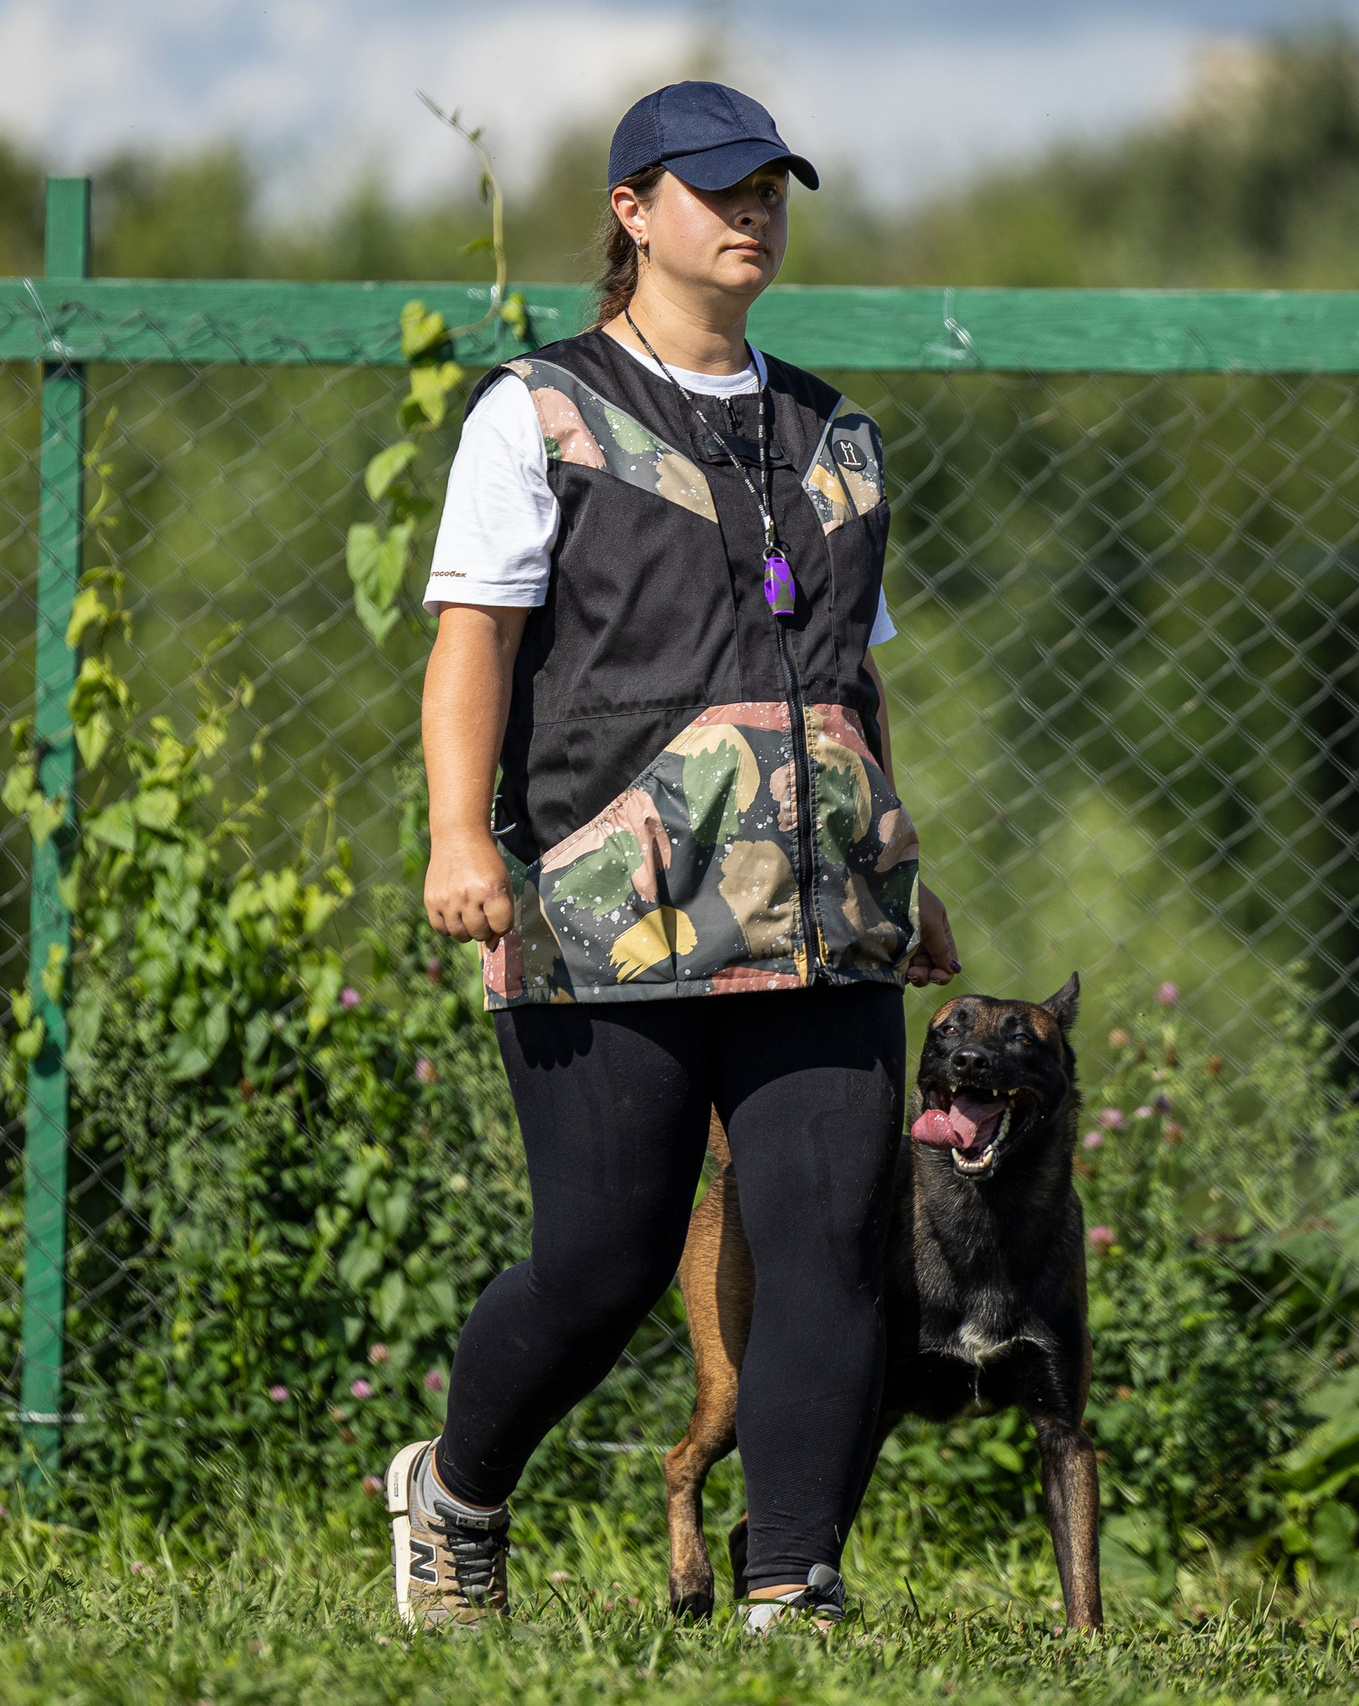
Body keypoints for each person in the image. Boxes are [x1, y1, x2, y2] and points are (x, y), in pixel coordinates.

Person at [387, 80, 959, 1633]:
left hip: (825, 909)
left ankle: (795, 1582)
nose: (752, 212)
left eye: (771, 186)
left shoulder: (838, 434)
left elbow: (852, 677)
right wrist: (459, 839)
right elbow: (472, 648)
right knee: (603, 1261)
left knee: (830, 1238)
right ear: (633, 211)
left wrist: (905, 864)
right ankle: (455, 1490)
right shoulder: (539, 411)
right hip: (603, 908)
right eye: (717, 189)